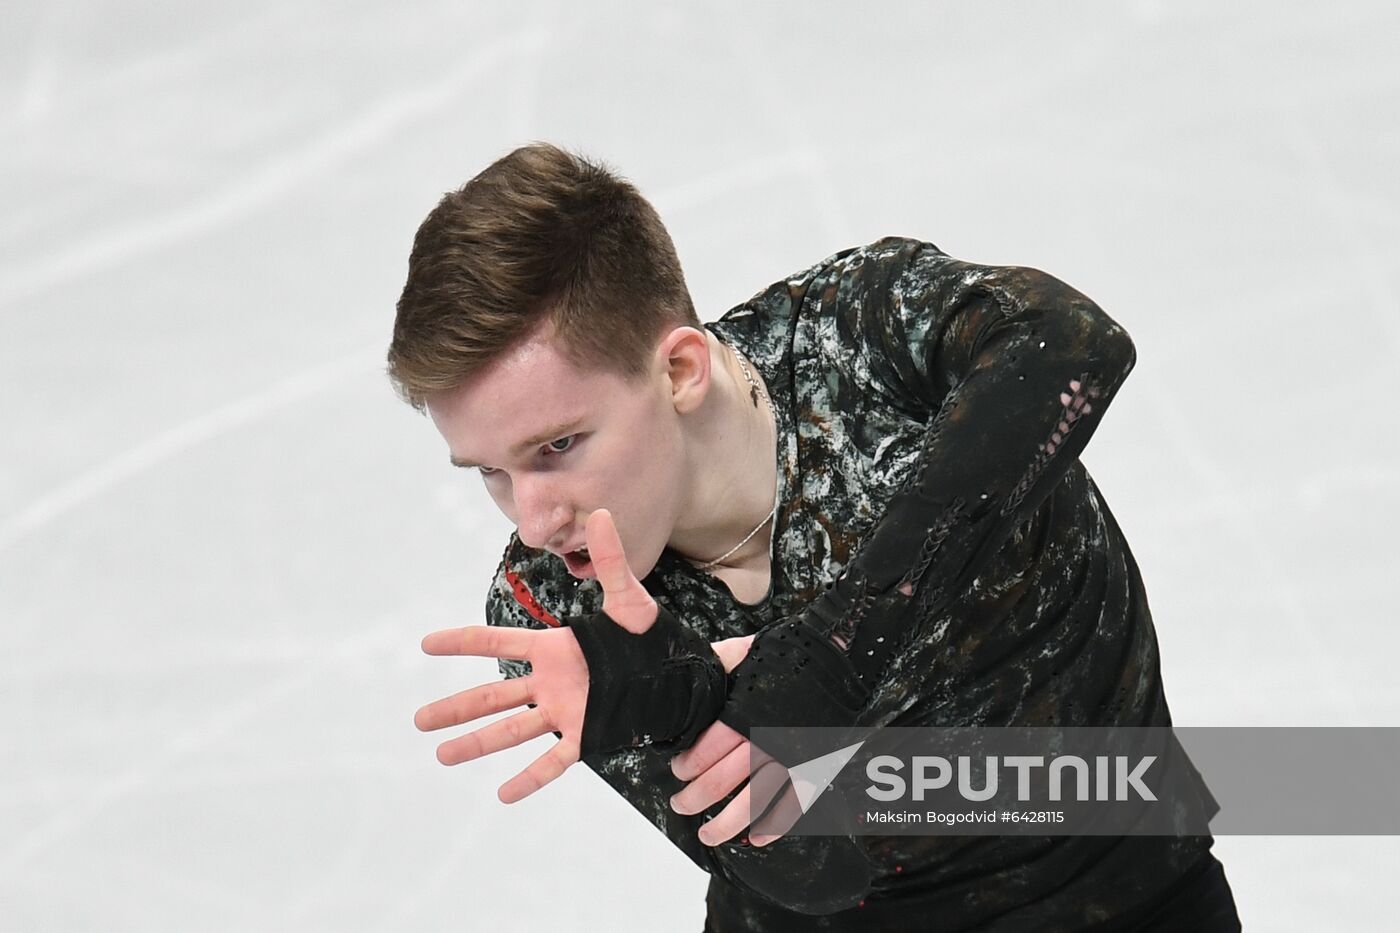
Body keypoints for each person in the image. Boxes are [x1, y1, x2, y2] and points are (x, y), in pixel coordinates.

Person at [386, 141, 1243, 931]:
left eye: (558, 446)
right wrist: (686, 708)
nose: (534, 519)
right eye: (491, 472)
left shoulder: (861, 346)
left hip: (1130, 890)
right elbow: (819, 880)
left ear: (679, 370)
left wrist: (834, 650)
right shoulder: (558, 615)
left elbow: (1075, 345)